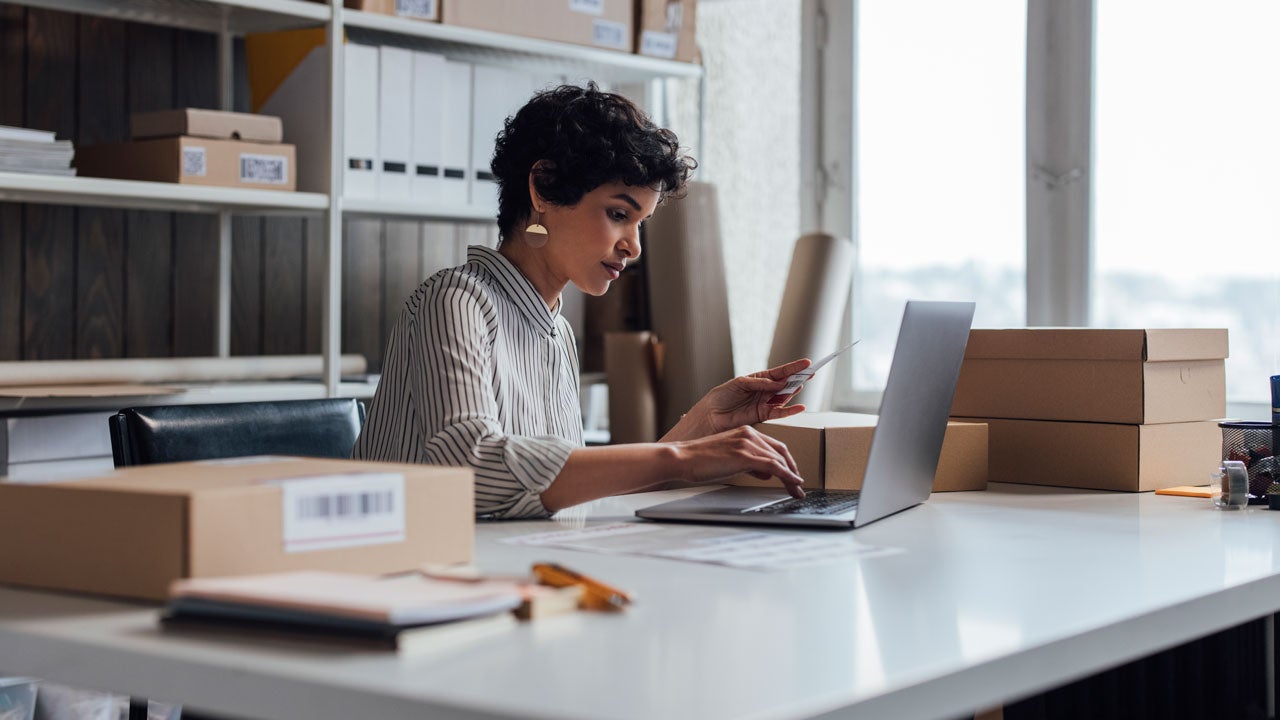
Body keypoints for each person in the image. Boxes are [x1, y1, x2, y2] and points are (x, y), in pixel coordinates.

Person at [352, 83, 814, 519]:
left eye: (641, 224)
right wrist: (680, 457)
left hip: (518, 567)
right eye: (618, 214)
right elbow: (471, 467)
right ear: (544, 188)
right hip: (412, 576)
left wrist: (704, 421)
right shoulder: (454, 301)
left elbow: (570, 493)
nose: (634, 247)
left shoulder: (556, 333)